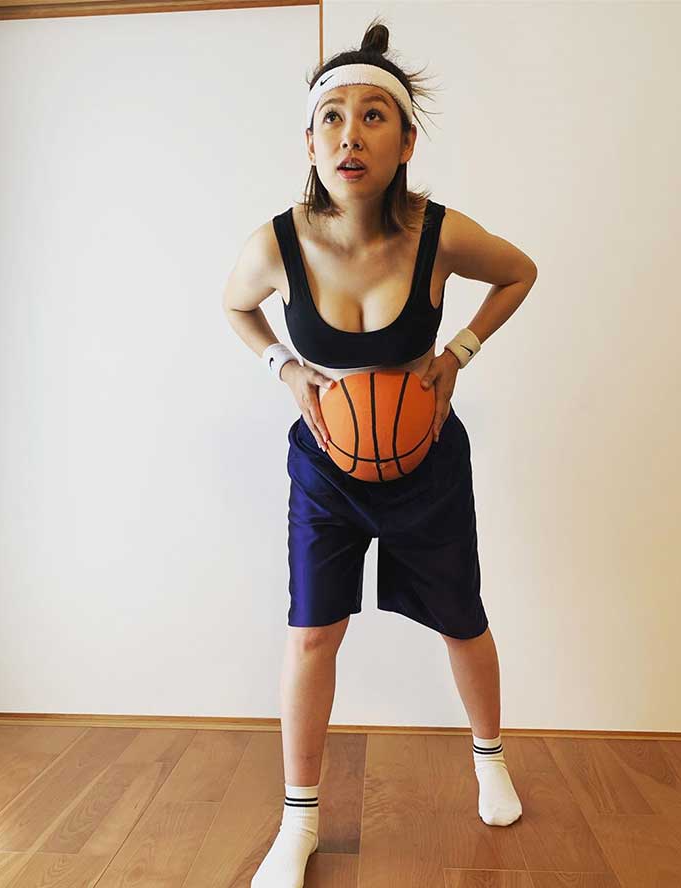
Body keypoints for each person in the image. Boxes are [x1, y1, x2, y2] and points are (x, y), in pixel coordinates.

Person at [223, 16, 538, 888]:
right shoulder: (277, 244)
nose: (350, 135)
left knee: (462, 618)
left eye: (373, 116)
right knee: (312, 633)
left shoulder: (439, 233)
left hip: (427, 463)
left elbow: (520, 271)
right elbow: (236, 307)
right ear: (310, 142)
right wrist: (284, 366)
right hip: (326, 468)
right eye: (331, 118)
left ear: (405, 142)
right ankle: (299, 822)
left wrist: (458, 354)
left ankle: (490, 759)